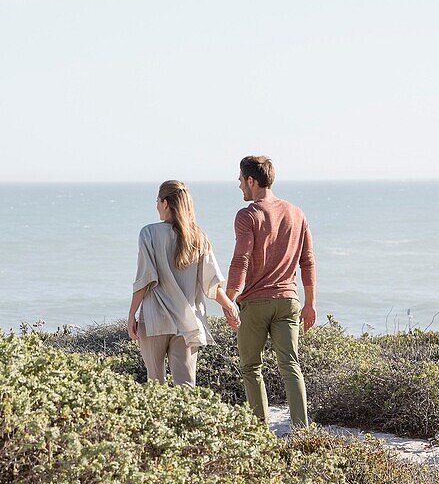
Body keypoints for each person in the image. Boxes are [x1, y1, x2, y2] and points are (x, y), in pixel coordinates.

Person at [226, 155, 316, 429]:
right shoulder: (297, 213)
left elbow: (241, 259)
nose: (240, 186)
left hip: (255, 302)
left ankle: (260, 431)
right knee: (291, 367)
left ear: (252, 181)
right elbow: (307, 260)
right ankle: (302, 431)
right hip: (289, 301)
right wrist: (310, 303)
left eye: (241, 180)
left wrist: (229, 299)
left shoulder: (248, 215)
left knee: (251, 368)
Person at [128, 180, 240, 386]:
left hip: (155, 320)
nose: (156, 206)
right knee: (186, 387)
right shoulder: (198, 236)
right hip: (187, 322)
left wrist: (131, 315)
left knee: (155, 385)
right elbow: (212, 284)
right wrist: (230, 307)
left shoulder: (148, 233)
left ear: (164, 203)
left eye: (157, 201)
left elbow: (144, 280)